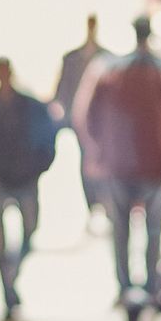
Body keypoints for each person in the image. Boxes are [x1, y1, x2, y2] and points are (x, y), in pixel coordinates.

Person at [79, 15, 161, 306]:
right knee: (153, 231)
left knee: (121, 231)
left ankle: (126, 287)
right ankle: (152, 290)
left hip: (119, 163)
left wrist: (99, 152)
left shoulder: (110, 72)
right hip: (154, 165)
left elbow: (88, 116)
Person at [0, 57, 59, 321]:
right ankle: (8, 288)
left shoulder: (29, 107)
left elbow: (48, 139)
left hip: (25, 179)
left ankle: (11, 277)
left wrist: (38, 167)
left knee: (29, 232)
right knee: (0, 241)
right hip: (1, 180)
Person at [52, 15, 109, 212]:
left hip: (103, 122)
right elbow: (61, 89)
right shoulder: (73, 58)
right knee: (86, 158)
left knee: (103, 159)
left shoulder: (106, 57)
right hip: (81, 120)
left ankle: (102, 199)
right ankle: (92, 202)